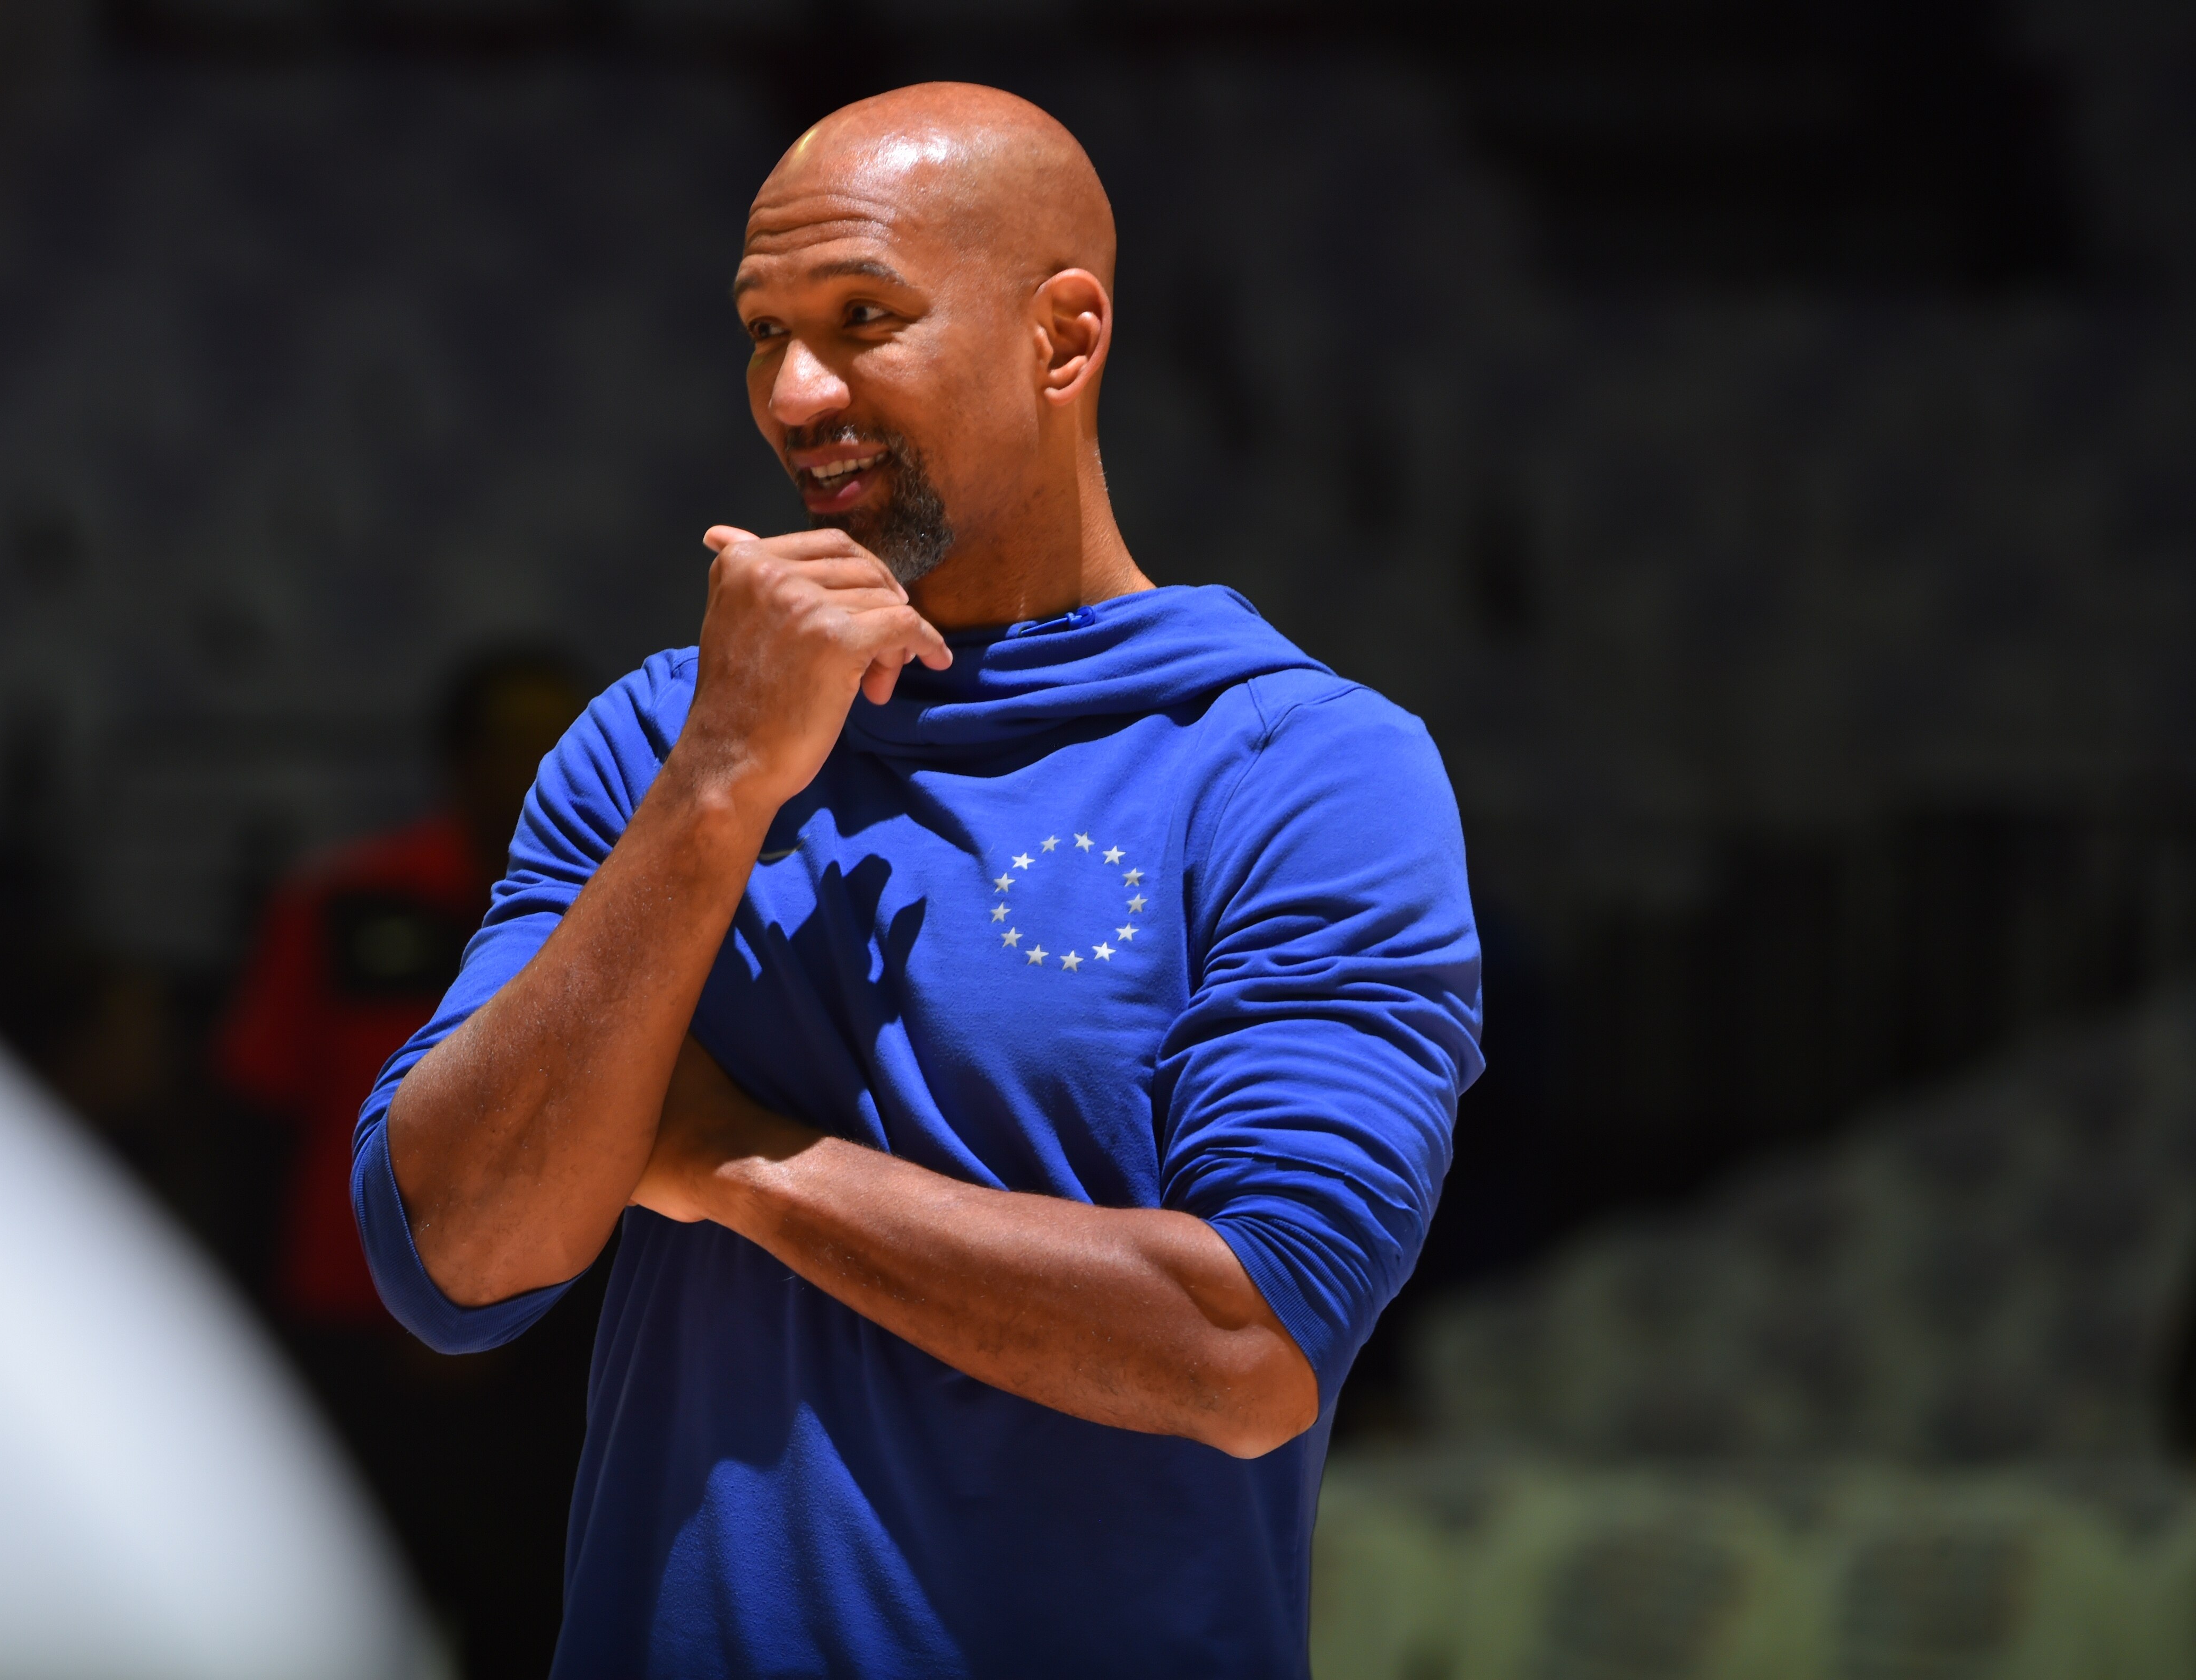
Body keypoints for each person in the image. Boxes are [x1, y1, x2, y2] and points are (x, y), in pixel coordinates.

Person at [357, 84, 1483, 1675]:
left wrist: (729, 1160)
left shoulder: (1304, 771)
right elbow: (453, 1258)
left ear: (1065, 338)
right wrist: (723, 785)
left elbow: (1246, 1347)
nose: (795, 391)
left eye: (864, 319)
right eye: (763, 330)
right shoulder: (654, 750)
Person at [216, 645, 592, 1677]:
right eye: (510, 743)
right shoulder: (341, 907)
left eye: (557, 743)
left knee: (531, 1625)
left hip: (545, 1357)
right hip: (349, 1351)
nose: (535, 767)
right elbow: (252, 1132)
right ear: (457, 760)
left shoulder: (624, 927)